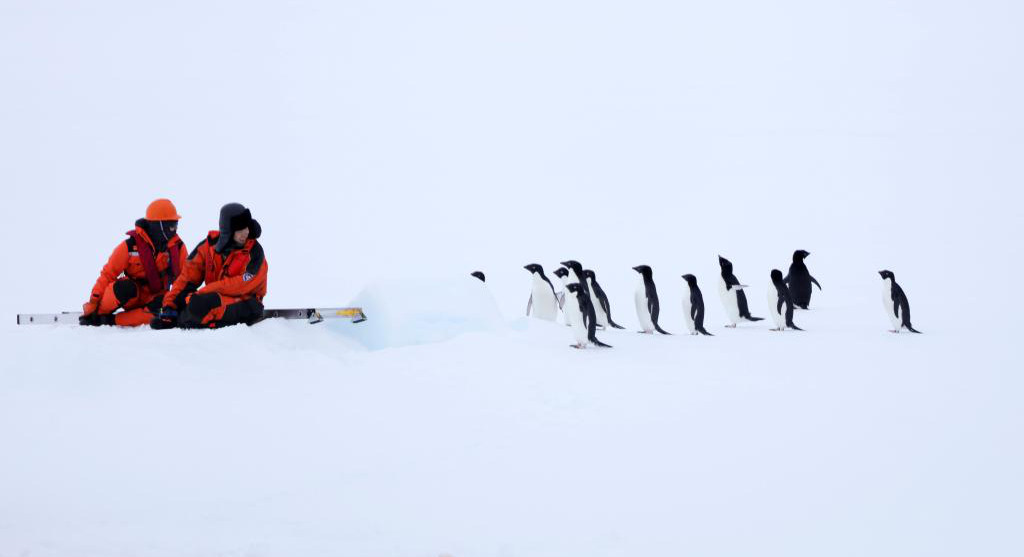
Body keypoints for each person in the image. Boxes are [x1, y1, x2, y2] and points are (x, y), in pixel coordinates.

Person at [152, 203, 268, 329]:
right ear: (228, 230)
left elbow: (239, 285)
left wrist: (201, 293)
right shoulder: (209, 246)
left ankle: (182, 320)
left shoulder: (255, 253)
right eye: (239, 229)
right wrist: (169, 305)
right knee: (188, 299)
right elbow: (187, 277)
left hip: (247, 302)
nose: (245, 233)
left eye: (246, 227)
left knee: (199, 303)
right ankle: (177, 317)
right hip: (216, 298)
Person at [80, 199, 187, 326]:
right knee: (123, 288)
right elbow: (108, 274)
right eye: (172, 225)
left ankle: (110, 320)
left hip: (155, 300)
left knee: (164, 306)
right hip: (131, 296)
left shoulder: (178, 248)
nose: (175, 229)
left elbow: (185, 279)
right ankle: (97, 313)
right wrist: (94, 302)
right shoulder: (129, 246)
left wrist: (182, 303)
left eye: (176, 224)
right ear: (159, 226)